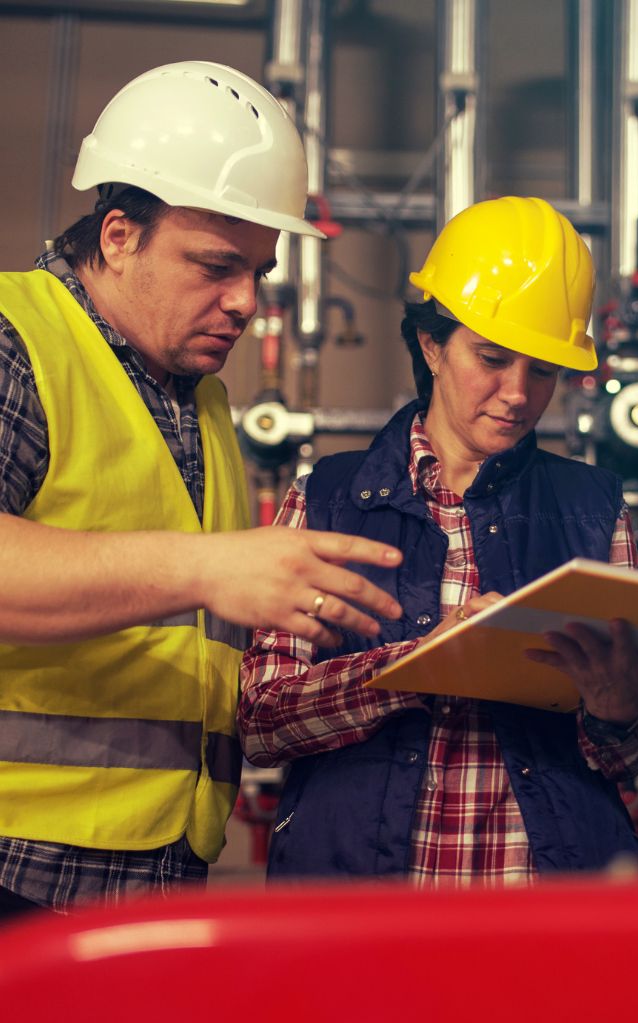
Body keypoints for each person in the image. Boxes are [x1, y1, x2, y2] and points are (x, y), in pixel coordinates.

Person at [0, 61, 405, 917]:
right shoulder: (17, 340)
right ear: (118, 235)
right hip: (18, 864)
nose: (244, 302)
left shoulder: (198, 400)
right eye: (217, 266)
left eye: (259, 271)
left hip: (153, 868)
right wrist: (207, 570)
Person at [238, 196, 638, 883]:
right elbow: (261, 723)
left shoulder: (594, 511)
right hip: (365, 917)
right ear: (431, 344)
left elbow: (622, 759)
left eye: (543, 370)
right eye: (492, 358)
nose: (517, 394)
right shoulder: (327, 500)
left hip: (543, 921)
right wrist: (415, 668)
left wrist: (616, 710)